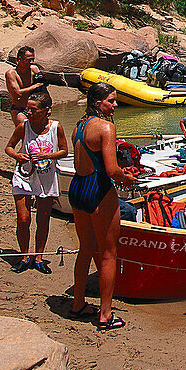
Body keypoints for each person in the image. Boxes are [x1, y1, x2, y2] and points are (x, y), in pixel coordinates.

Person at [68, 82, 139, 330]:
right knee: (109, 253)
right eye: (111, 101)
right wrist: (126, 177)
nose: (116, 105)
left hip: (77, 188)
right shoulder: (106, 128)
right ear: (98, 103)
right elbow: (111, 170)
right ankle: (105, 314)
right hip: (97, 189)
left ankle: (78, 304)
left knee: (85, 249)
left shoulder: (80, 125)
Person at [4, 90, 68, 273]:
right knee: (23, 219)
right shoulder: (24, 127)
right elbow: (8, 147)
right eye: (28, 110)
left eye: (33, 110)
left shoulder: (56, 127)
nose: (29, 113)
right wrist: (17, 155)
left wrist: (47, 155)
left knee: (43, 218)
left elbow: (64, 151)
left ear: (46, 111)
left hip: (46, 177)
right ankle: (25, 256)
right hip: (24, 176)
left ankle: (38, 257)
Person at [5, 46, 46, 126]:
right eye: (28, 60)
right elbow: (17, 93)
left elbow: (42, 88)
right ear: (19, 59)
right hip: (19, 109)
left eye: (32, 59)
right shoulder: (12, 74)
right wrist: (35, 86)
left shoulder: (34, 69)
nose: (31, 62)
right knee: (24, 129)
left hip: (35, 109)